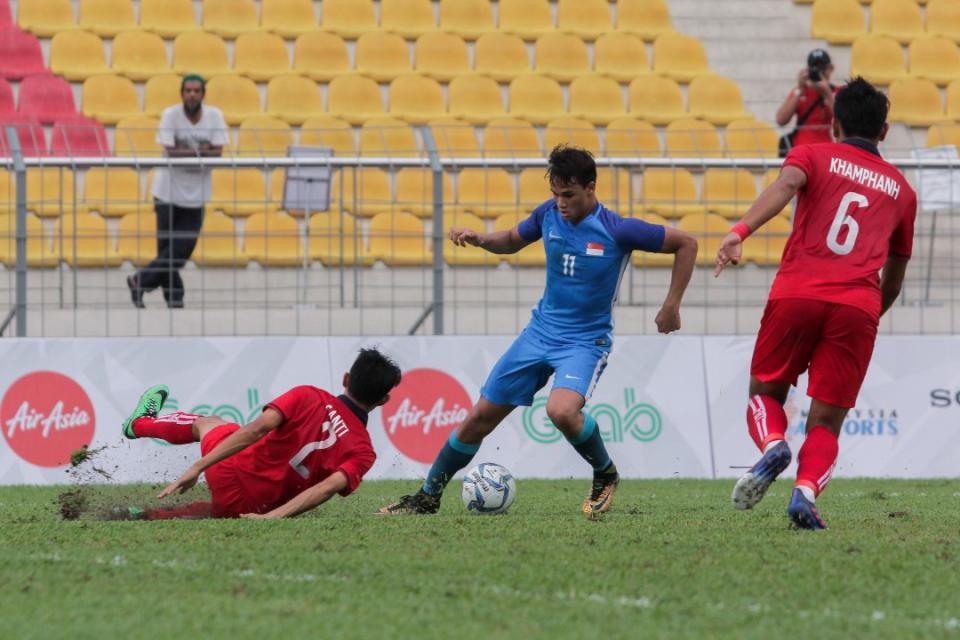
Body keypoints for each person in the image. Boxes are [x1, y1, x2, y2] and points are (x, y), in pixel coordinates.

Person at [379, 145, 698, 518]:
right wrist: (481, 238)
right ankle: (427, 496)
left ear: (591, 188)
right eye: (555, 195)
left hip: (584, 341)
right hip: (538, 333)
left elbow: (686, 244)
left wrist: (671, 304)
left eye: (569, 195)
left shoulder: (618, 230)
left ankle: (605, 474)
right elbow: (513, 240)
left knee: (561, 411)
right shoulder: (548, 215)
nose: (560, 203)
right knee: (479, 416)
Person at [715, 77, 917, 530]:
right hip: (858, 305)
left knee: (766, 392)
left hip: (798, 292)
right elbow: (896, 274)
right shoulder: (903, 191)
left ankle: (771, 444)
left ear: (835, 124)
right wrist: (866, 313)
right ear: (884, 132)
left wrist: (739, 231)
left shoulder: (812, 154)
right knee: (827, 420)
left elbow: (786, 187)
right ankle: (804, 493)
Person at [117, 347, 402, 519]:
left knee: (211, 423)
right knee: (215, 511)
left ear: (346, 379)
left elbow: (256, 430)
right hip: (257, 507)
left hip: (230, 470)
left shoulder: (308, 395)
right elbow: (325, 489)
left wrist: (197, 467)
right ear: (383, 400)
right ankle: (141, 515)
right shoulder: (365, 451)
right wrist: (272, 517)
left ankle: (138, 423)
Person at [127, 74, 229, 309]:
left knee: (182, 248)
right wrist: (201, 150)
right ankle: (175, 299)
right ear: (181, 94)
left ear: (203, 94)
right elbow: (170, 151)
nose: (192, 94)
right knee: (167, 249)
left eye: (196, 91)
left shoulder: (214, 116)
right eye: (188, 91)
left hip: (197, 194)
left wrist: (190, 151)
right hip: (167, 191)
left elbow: (218, 153)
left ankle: (139, 280)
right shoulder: (170, 115)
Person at [776, 49, 840, 151]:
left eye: (822, 68)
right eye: (814, 68)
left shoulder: (837, 92)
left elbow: (843, 120)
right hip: (802, 149)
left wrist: (827, 93)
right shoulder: (800, 92)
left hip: (827, 149)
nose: (819, 72)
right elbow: (781, 120)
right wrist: (800, 89)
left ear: (830, 69)